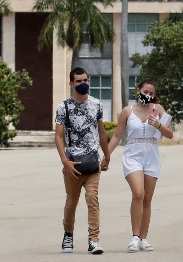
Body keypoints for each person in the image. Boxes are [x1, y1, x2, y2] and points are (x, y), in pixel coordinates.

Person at [107, 79, 173, 253]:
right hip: (133, 154)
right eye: (145, 92)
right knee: (138, 193)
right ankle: (135, 237)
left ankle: (144, 238)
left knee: (147, 198)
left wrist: (158, 124)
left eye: (151, 93)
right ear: (138, 91)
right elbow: (116, 136)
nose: (148, 95)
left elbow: (170, 133)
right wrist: (105, 156)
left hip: (152, 154)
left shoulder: (159, 110)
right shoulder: (127, 111)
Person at [55, 67, 112, 255]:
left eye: (85, 80)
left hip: (92, 162)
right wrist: (64, 161)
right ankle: (68, 234)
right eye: (78, 81)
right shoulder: (64, 107)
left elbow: (102, 132)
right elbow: (59, 136)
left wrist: (107, 155)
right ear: (71, 84)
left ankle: (93, 240)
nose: (83, 84)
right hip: (73, 164)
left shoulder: (97, 104)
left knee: (92, 199)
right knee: (72, 202)